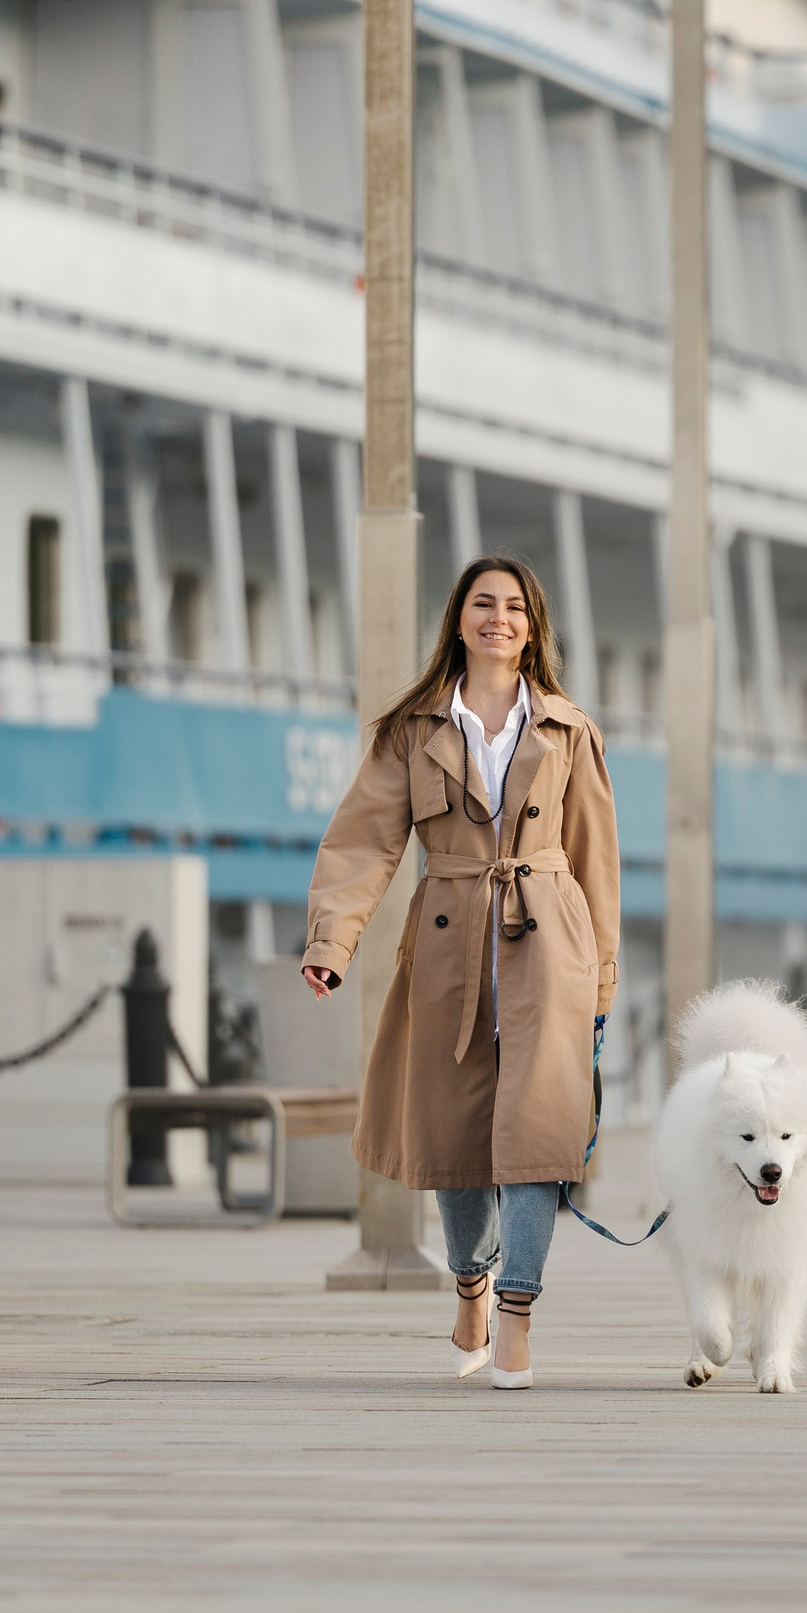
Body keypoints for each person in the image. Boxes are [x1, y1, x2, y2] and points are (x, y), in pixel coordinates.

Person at [300, 553, 620, 1390]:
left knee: (537, 1133)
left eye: (515, 607)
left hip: (550, 943)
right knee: (456, 1131)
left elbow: (595, 858)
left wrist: (604, 976)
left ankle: (516, 1312)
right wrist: (332, 943)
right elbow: (364, 839)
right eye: (484, 604)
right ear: (459, 618)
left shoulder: (568, 728)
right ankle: (469, 1283)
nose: (499, 619)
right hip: (447, 945)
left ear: (532, 626)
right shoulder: (413, 728)